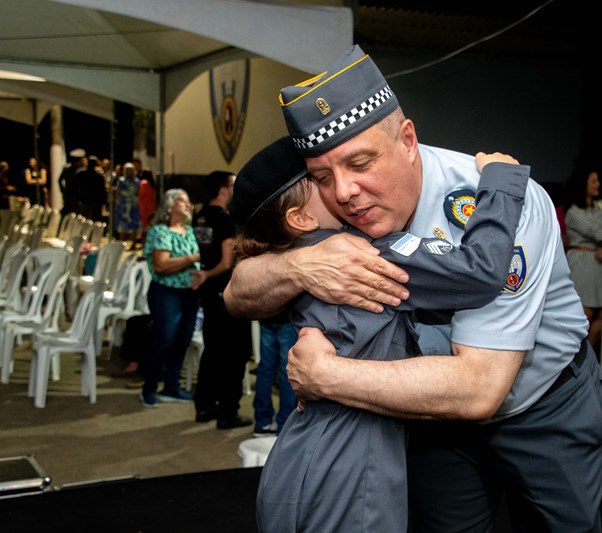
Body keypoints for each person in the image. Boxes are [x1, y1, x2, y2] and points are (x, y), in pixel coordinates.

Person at [224, 45, 602, 531]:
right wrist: (299, 266)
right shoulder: (342, 221)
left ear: (407, 140)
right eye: (322, 176)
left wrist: (325, 376)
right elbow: (237, 293)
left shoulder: (501, 202)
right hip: (426, 415)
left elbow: (480, 389)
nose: (343, 192)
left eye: (360, 163)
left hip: (544, 405)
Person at [229, 136, 528, 532]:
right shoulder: (359, 255)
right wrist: (501, 181)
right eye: (320, 180)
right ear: (300, 218)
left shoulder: (298, 258)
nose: (342, 190)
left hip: (305, 452)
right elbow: (480, 272)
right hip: (349, 462)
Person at [191, 170, 253, 430]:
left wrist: (203, 273)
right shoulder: (224, 220)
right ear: (223, 189)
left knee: (212, 349)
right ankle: (228, 412)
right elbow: (226, 262)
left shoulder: (199, 217)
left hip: (206, 293)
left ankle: (204, 405)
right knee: (236, 352)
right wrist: (209, 273)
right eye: (233, 184)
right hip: (225, 293)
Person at [140, 188, 200, 408]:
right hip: (167, 292)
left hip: (190, 292)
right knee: (164, 340)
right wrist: (193, 257)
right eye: (181, 201)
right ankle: (149, 388)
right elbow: (161, 264)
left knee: (182, 340)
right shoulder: (160, 231)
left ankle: (172, 387)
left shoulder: (190, 231)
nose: (188, 205)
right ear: (169, 205)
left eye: (188, 201)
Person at [565, 166, 602, 351]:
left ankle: (587, 355)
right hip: (582, 262)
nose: (597, 184)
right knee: (586, 313)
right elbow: (598, 231)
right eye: (593, 181)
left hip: (600, 266)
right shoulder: (574, 212)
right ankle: (574, 356)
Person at [113, 162, 141, 243]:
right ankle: (133, 243)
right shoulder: (136, 181)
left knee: (122, 223)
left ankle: (122, 242)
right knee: (133, 223)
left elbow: (118, 192)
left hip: (123, 204)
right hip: (133, 204)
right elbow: (138, 192)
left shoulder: (121, 180)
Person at [58, 148, 85, 219]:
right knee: (78, 216)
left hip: (68, 194)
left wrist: (63, 190)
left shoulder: (66, 168)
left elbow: (59, 180)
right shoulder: (80, 170)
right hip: (77, 196)